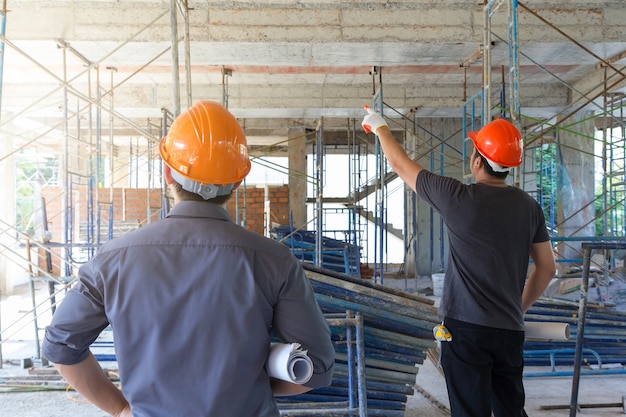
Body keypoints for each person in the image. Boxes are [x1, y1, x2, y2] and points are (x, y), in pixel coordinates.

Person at [42, 101, 335, 417]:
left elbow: (61, 347)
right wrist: (254, 387)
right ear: (237, 181)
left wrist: (121, 409)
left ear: (167, 172)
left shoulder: (113, 260)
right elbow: (316, 367)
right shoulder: (274, 260)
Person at [362, 108, 556, 417]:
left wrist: (379, 125)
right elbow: (547, 268)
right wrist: (518, 309)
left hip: (465, 331)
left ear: (478, 161)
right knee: (511, 411)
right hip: (509, 330)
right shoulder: (529, 207)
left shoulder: (457, 197)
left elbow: (399, 164)